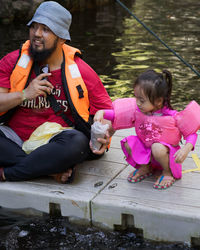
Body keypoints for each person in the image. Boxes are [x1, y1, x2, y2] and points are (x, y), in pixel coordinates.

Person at [0, 1, 112, 183]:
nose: (36, 34)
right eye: (34, 27)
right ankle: (50, 170)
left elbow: (107, 111)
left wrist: (106, 132)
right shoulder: (12, 62)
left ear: (61, 38)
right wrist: (24, 94)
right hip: (15, 139)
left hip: (56, 143)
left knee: (78, 143)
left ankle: (8, 173)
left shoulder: (81, 71)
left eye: (45, 29)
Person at [93, 69, 200, 190]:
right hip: (146, 151)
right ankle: (145, 166)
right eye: (136, 97)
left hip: (166, 154)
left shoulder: (173, 116)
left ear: (158, 101)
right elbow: (116, 115)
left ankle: (167, 172)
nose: (137, 103)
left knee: (157, 147)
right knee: (128, 142)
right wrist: (101, 112)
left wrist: (186, 148)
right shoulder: (138, 111)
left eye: (142, 100)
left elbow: (191, 133)